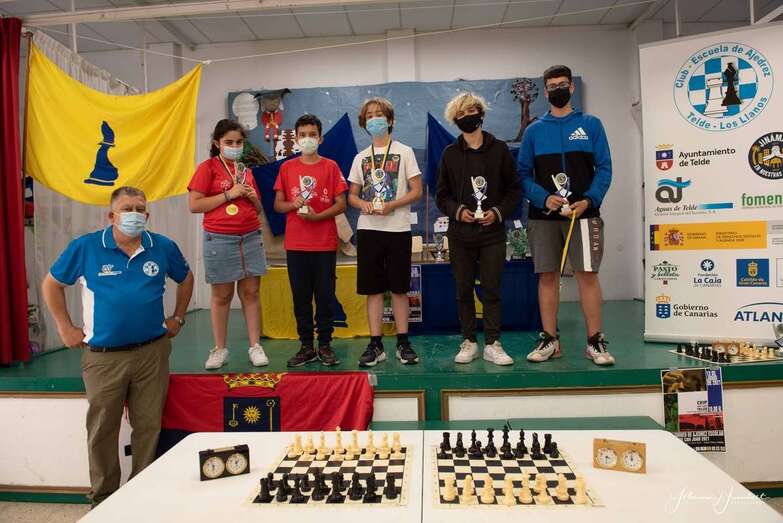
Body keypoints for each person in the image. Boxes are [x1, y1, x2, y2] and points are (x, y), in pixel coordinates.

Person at [41, 186, 194, 506]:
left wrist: (178, 317)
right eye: (127, 209)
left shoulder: (162, 247)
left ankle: (143, 496)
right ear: (111, 215)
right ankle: (104, 500)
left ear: (148, 216)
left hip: (152, 352)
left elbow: (186, 277)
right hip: (103, 358)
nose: (134, 215)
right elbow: (52, 284)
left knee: (148, 427)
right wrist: (65, 327)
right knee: (102, 431)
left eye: (140, 209)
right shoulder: (85, 248)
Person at [517, 65, 615, 366]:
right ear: (545, 92)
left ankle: (594, 341)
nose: (558, 89)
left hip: (584, 215)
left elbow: (605, 168)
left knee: (587, 276)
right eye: (552, 85)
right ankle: (550, 339)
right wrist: (543, 197)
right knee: (547, 276)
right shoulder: (534, 131)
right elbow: (522, 174)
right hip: (543, 217)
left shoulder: (591, 124)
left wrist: (589, 200)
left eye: (563, 84)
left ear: (571, 88)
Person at [436, 92, 522, 365]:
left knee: (492, 289)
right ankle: (469, 341)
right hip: (460, 235)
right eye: (460, 114)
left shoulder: (499, 150)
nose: (467, 117)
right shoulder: (449, 154)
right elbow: (441, 195)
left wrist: (496, 213)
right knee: (462, 290)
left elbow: (514, 190)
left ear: (481, 114)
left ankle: (493, 343)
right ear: (454, 120)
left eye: (471, 111)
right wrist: (459, 211)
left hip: (492, 234)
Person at [347, 97, 423, 367]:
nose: (374, 119)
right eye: (369, 116)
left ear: (389, 120)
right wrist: (363, 204)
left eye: (379, 114)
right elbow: (352, 195)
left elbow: (417, 190)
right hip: (369, 230)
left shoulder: (405, 152)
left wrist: (392, 204)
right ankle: (375, 343)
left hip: (398, 228)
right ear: (364, 123)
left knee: (400, 289)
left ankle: (403, 342)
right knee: (373, 290)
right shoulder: (360, 158)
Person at [189, 119, 268, 370]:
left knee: (251, 293)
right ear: (217, 143)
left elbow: (257, 210)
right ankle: (220, 349)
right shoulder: (207, 168)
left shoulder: (246, 171)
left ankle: (255, 346)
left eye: (239, 142)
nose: (235, 146)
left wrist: (254, 199)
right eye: (229, 142)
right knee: (222, 296)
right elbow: (195, 205)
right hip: (220, 238)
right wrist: (228, 194)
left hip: (250, 237)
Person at [273, 114, 348, 367]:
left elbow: (341, 204)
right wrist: (292, 204)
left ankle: (325, 344)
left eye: (312, 134)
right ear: (296, 138)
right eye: (303, 135)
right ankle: (306, 346)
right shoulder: (287, 168)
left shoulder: (331, 167)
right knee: (301, 297)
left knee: (325, 295)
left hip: (324, 244)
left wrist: (318, 217)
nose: (307, 139)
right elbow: (278, 205)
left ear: (321, 137)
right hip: (296, 245)